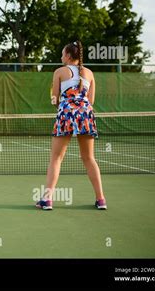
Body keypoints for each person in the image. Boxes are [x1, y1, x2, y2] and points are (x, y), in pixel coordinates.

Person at [36, 41, 106, 210]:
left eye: (62, 54)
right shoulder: (89, 73)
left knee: (56, 158)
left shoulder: (59, 71)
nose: (61, 57)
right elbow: (92, 100)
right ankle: (101, 200)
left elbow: (55, 99)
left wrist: (59, 102)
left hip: (67, 113)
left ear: (68, 56)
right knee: (89, 158)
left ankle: (47, 200)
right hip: (86, 114)